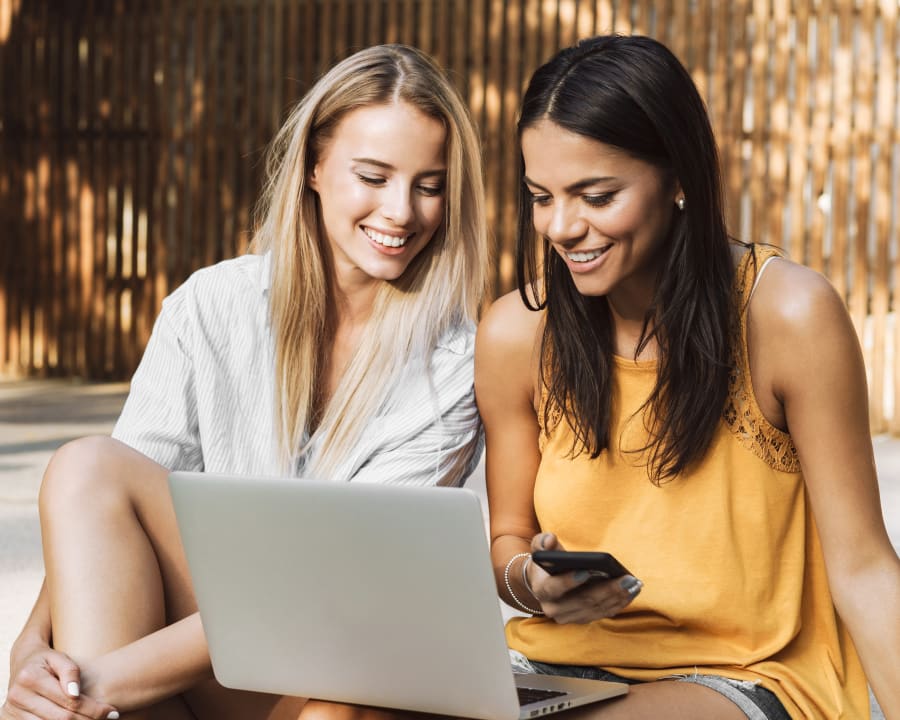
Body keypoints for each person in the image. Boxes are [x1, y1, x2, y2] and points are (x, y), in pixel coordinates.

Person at [4, 43, 488, 720]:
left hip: (341, 665)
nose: (402, 212)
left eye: (429, 185)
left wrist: (97, 683)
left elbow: (338, 582)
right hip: (205, 660)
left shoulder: (457, 366)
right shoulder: (211, 305)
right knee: (86, 466)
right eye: (373, 177)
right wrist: (31, 649)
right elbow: (105, 515)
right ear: (316, 166)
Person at [476, 34, 900, 720]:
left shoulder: (788, 316)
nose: (562, 227)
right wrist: (532, 581)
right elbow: (508, 542)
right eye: (541, 196)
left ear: (678, 178)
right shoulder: (515, 333)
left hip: (744, 673)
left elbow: (865, 569)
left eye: (597, 195)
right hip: (556, 666)